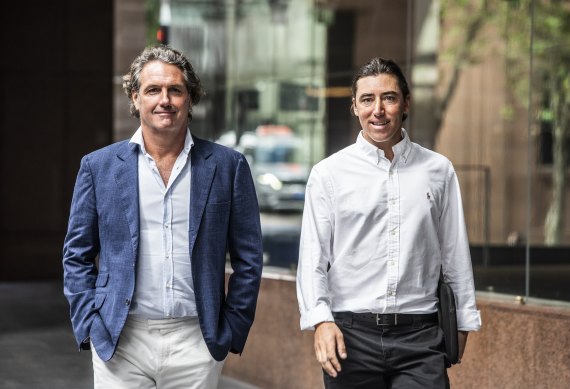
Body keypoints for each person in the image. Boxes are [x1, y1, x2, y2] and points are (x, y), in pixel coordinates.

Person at [63, 45, 263, 389]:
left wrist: (232, 328)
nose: (164, 100)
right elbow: (76, 255)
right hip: (120, 338)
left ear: (190, 98)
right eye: (153, 90)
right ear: (135, 97)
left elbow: (249, 257)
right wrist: (90, 324)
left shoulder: (228, 166)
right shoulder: (98, 167)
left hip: (197, 340)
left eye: (175, 90)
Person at [296, 57, 481, 388]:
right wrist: (321, 321)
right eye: (367, 99)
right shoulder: (328, 174)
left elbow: (455, 255)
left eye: (389, 98)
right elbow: (313, 260)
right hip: (350, 336)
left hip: (421, 337)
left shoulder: (438, 171)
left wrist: (464, 322)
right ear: (355, 107)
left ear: (405, 103)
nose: (377, 110)